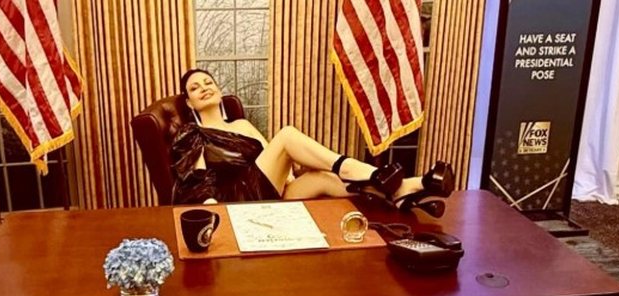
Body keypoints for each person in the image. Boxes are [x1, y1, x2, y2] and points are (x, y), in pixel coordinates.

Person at [171, 69, 452, 215]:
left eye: (208, 82)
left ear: (219, 90)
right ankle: (367, 172)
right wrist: (213, 211)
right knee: (287, 135)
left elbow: (273, 161)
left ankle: (408, 189)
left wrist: (293, 177)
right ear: (189, 102)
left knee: (322, 177)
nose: (204, 88)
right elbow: (197, 179)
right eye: (195, 87)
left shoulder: (241, 124)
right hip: (235, 203)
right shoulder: (191, 133)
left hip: (267, 192)